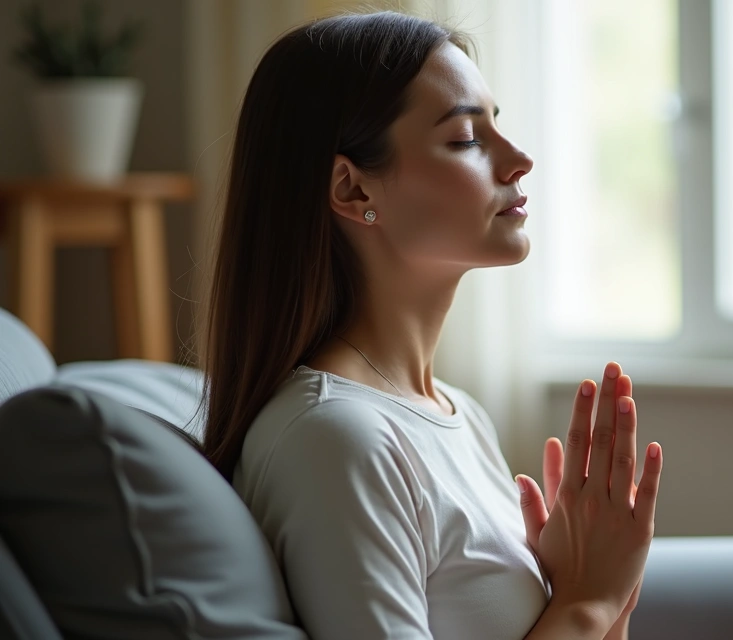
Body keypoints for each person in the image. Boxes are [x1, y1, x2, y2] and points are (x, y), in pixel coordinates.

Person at [199, 11, 662, 640]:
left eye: (497, 124)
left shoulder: (461, 415)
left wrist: (603, 596)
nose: (520, 159)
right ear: (353, 187)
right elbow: (580, 612)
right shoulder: (337, 440)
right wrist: (586, 603)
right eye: (468, 138)